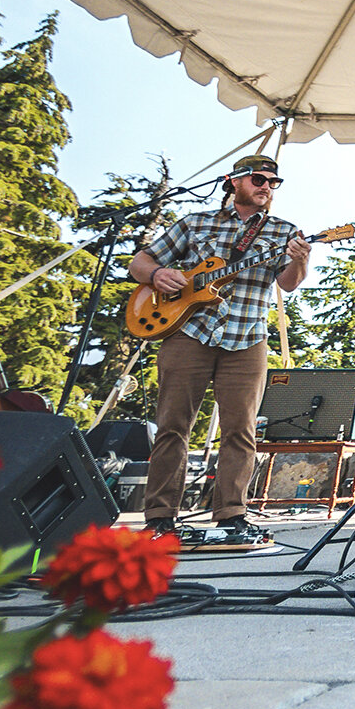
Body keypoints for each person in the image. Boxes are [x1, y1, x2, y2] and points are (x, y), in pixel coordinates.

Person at [128, 154, 311, 545]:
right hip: (188, 332)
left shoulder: (284, 231)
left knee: (240, 431)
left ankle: (232, 516)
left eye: (273, 182)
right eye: (260, 179)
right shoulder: (195, 223)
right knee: (173, 426)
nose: (267, 187)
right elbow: (140, 262)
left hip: (247, 339)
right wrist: (158, 274)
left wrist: (301, 262)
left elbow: (290, 283)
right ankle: (159, 518)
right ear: (235, 181)